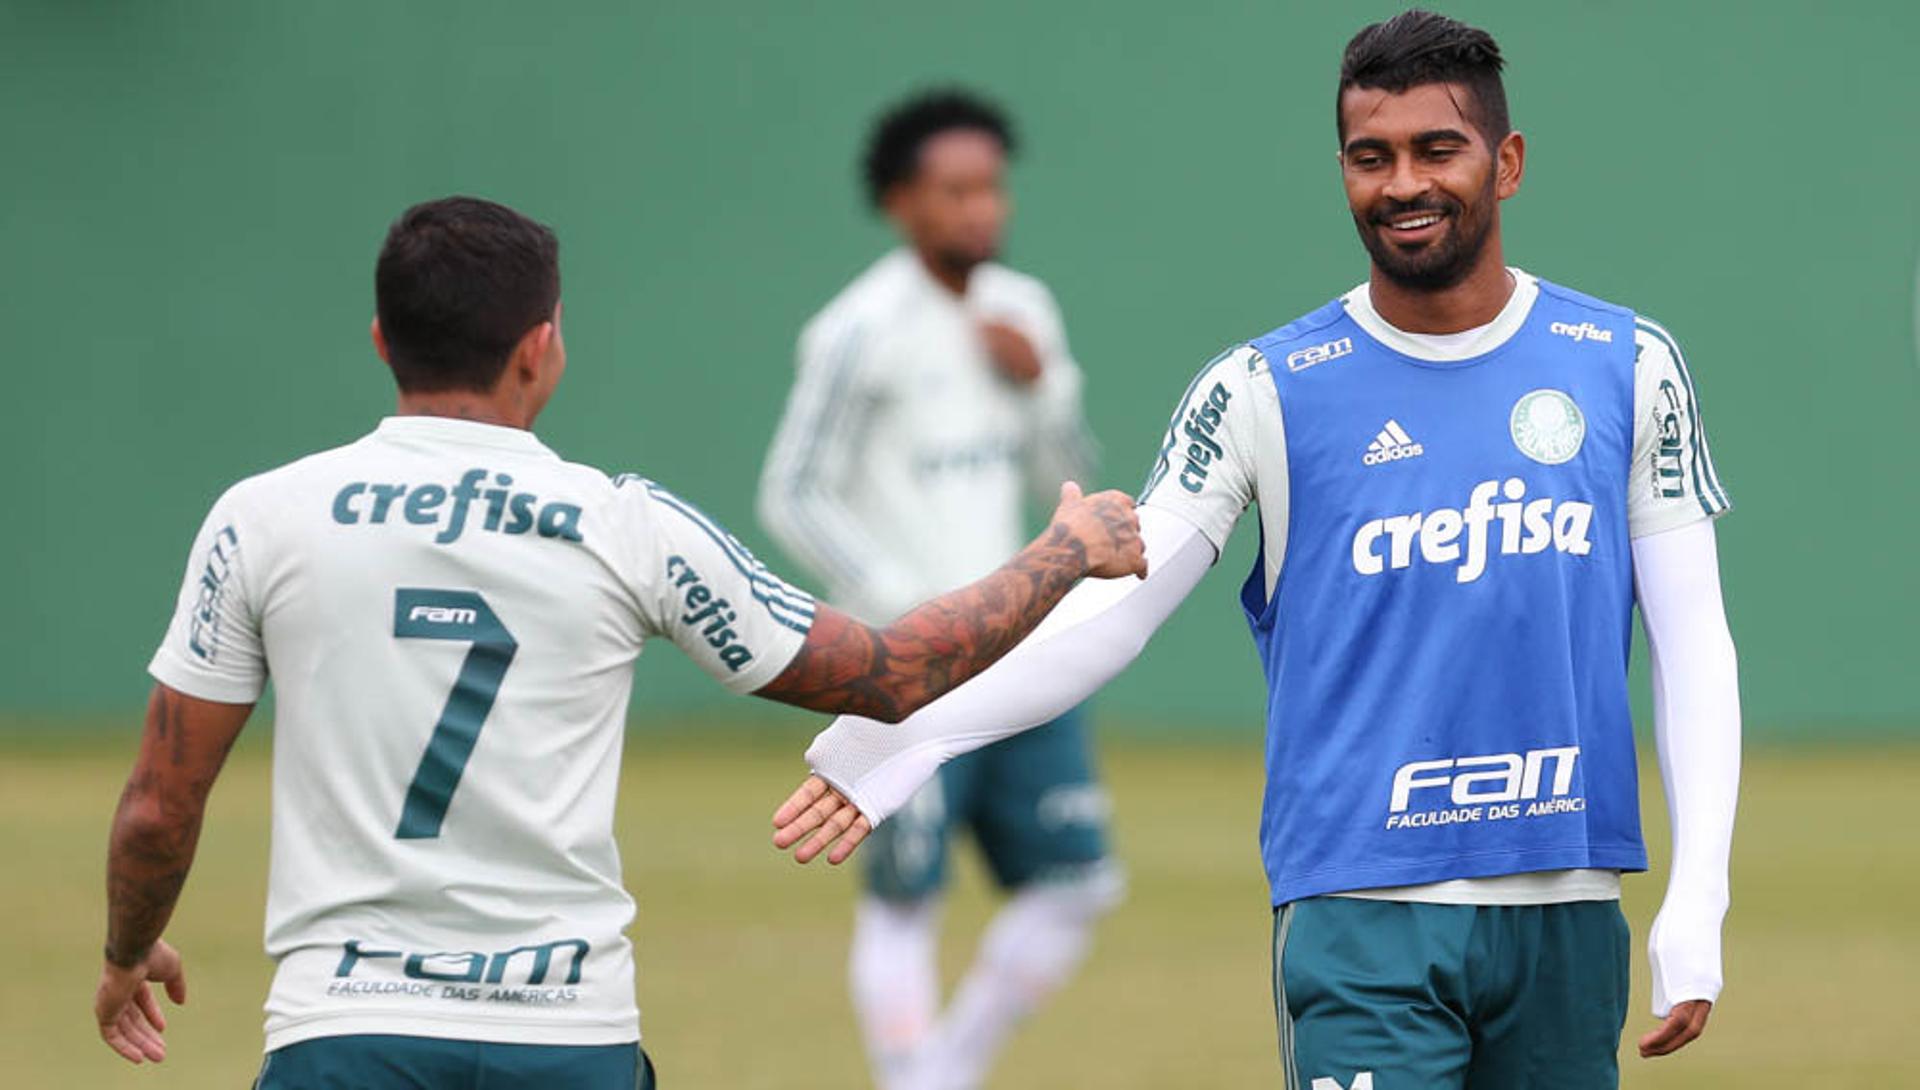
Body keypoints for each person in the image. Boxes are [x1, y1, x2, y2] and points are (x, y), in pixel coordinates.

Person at [773, 12, 1742, 1089]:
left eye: (1438, 149)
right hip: (1361, 917)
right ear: (1342, 172)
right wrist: (908, 731)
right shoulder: (1261, 389)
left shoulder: (1627, 363)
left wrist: (1699, 891)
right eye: (1372, 158)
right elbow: (1114, 615)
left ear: (1506, 163)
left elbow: (1693, 641)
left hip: (1568, 914)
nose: (1403, 183)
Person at [93, 196, 1145, 1088]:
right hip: (566, 1036)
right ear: (542, 345)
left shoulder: (263, 516)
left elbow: (157, 805)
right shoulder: (629, 525)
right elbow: (894, 672)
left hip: (344, 1032)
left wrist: (127, 947)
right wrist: (1062, 551)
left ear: (380, 339)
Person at [757, 89, 1121, 1090]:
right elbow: (791, 490)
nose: (980, 210)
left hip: (1024, 649)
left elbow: (1070, 476)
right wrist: (897, 608)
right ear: (899, 201)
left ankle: (940, 1075)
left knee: (1081, 882)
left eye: (991, 188)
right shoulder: (857, 330)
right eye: (954, 190)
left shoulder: (1025, 309)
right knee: (905, 897)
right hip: (908, 669)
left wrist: (1040, 381)